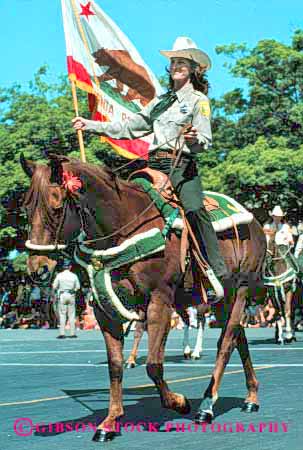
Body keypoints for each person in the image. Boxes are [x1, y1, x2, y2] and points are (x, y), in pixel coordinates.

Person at [72, 36, 229, 297]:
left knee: (194, 209)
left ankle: (216, 270)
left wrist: (194, 139)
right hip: (153, 165)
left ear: (192, 69)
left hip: (181, 166)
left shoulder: (199, 100)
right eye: (174, 61)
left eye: (183, 62)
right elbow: (129, 128)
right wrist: (90, 125)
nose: (177, 66)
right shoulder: (161, 101)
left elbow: (205, 140)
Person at [52, 259, 80, 339]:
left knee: (62, 314)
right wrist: (73, 290)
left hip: (62, 295)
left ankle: (62, 333)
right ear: (70, 267)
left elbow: (54, 286)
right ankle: (72, 333)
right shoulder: (74, 275)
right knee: (71, 314)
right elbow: (78, 287)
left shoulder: (59, 275)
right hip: (71, 295)